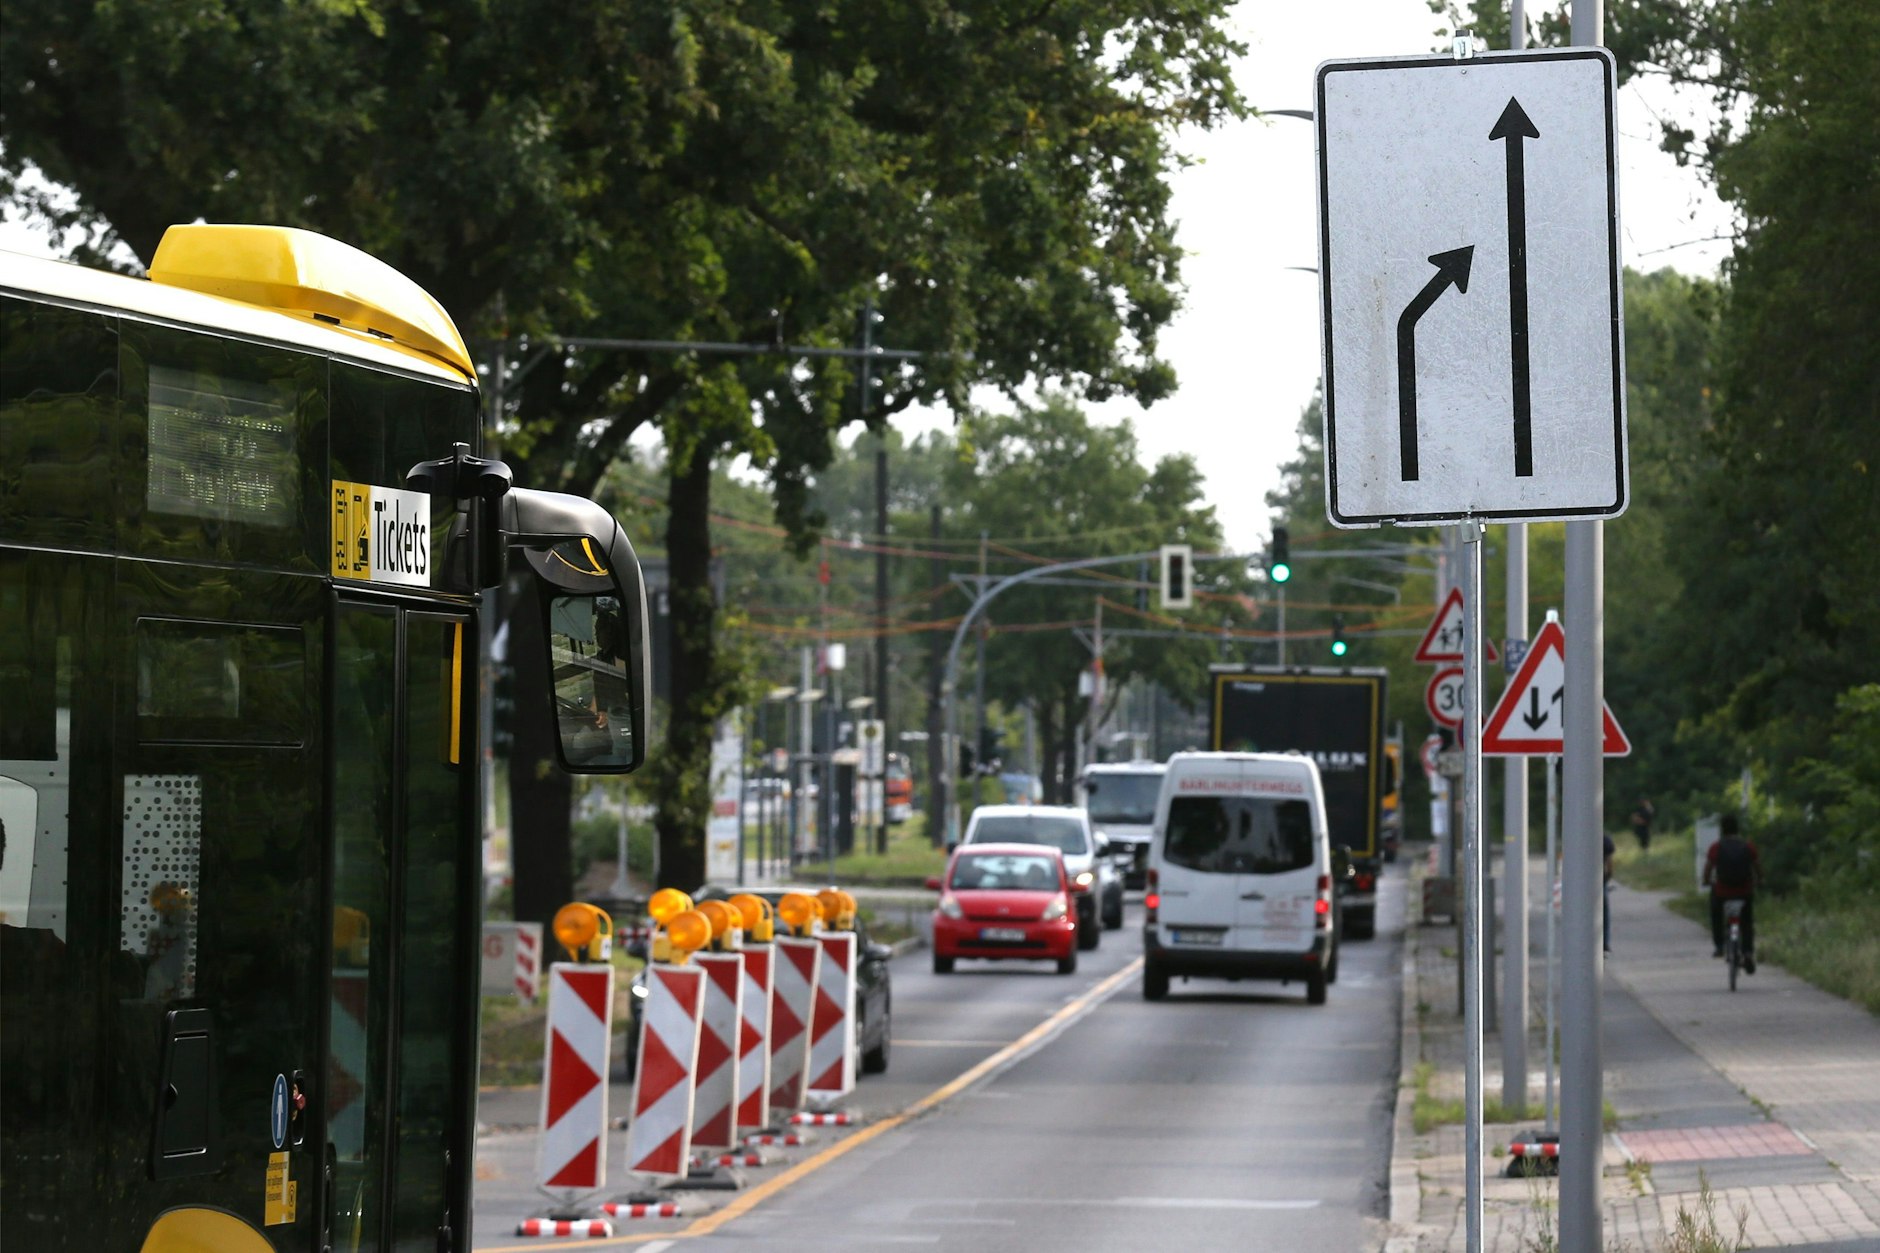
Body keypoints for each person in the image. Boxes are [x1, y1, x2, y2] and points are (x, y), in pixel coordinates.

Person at [1703, 814, 1761, 972]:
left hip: (1722, 891)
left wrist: (1706, 881)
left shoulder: (1716, 847)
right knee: (1747, 921)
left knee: (1716, 912)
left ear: (1722, 830)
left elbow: (1708, 868)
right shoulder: (1748, 846)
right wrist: (1759, 881)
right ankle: (1748, 952)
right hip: (1744, 890)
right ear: (1737, 829)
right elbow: (1757, 866)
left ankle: (1720, 945)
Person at [1602, 831, 1615, 954]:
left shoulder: (1579, 838)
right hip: (1600, 880)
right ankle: (1605, 941)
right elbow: (1609, 862)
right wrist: (1608, 876)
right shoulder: (1605, 840)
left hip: (1581, 881)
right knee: (1604, 911)